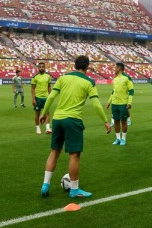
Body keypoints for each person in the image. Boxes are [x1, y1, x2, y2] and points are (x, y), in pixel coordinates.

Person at [39, 55, 111, 198]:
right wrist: (105, 120)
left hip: (57, 119)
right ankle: (74, 190)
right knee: (74, 155)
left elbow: (51, 97)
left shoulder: (63, 78)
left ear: (75, 65)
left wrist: (43, 112)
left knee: (54, 152)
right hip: (73, 120)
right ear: (87, 67)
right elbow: (96, 104)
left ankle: (45, 186)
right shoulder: (89, 82)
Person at [106, 62, 134, 145]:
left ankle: (123, 139)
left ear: (119, 68)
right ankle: (118, 138)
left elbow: (131, 91)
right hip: (114, 104)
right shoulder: (115, 79)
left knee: (123, 122)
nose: (114, 69)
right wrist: (109, 102)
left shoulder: (127, 78)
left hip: (123, 104)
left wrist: (129, 102)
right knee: (116, 122)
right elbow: (113, 92)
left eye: (115, 68)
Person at [32, 62, 53, 135]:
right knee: (37, 113)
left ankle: (48, 128)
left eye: (42, 67)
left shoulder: (48, 76)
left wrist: (50, 96)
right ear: (38, 68)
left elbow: (49, 87)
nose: (41, 68)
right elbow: (33, 89)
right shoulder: (35, 77)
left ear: (44, 68)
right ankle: (38, 128)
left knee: (47, 113)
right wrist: (33, 99)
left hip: (46, 98)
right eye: (40, 67)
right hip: (38, 98)